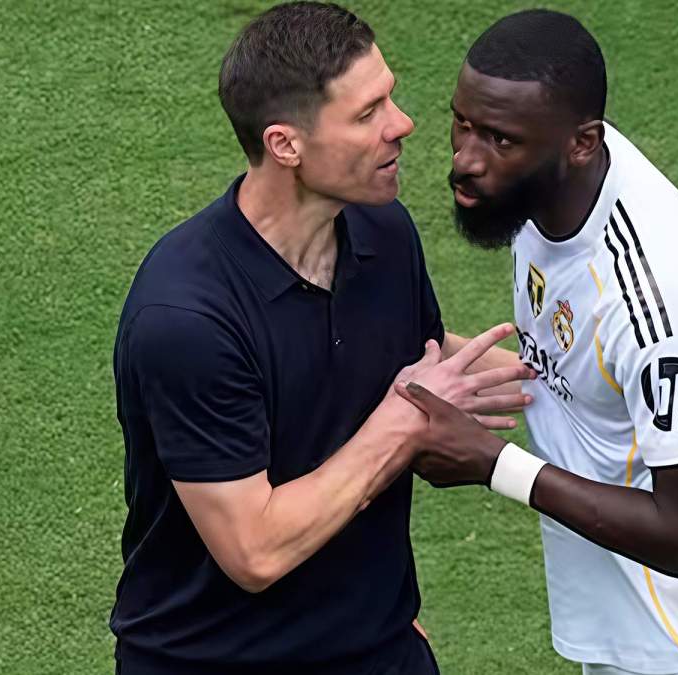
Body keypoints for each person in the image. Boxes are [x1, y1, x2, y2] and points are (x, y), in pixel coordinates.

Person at [396, 10, 678, 675]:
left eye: (500, 140)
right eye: (461, 123)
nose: (466, 160)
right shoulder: (569, 174)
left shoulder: (656, 295)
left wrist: (493, 464)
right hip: (641, 636)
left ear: (582, 144)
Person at [109, 3, 531, 673]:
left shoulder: (382, 232)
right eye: (367, 114)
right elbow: (255, 550)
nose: (402, 124)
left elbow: (418, 355)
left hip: (379, 652)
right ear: (285, 145)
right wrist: (401, 422)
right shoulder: (187, 320)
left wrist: (583, 378)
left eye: (389, 97)